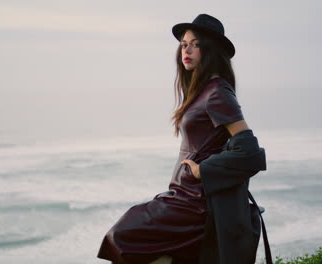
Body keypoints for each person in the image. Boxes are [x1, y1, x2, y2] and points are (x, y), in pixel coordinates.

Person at [97, 13, 260, 264]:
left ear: (211, 50)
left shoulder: (217, 92)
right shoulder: (201, 90)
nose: (188, 50)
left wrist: (202, 170)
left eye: (196, 44)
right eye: (184, 44)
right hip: (181, 195)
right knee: (134, 242)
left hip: (196, 202)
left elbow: (249, 149)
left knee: (124, 236)